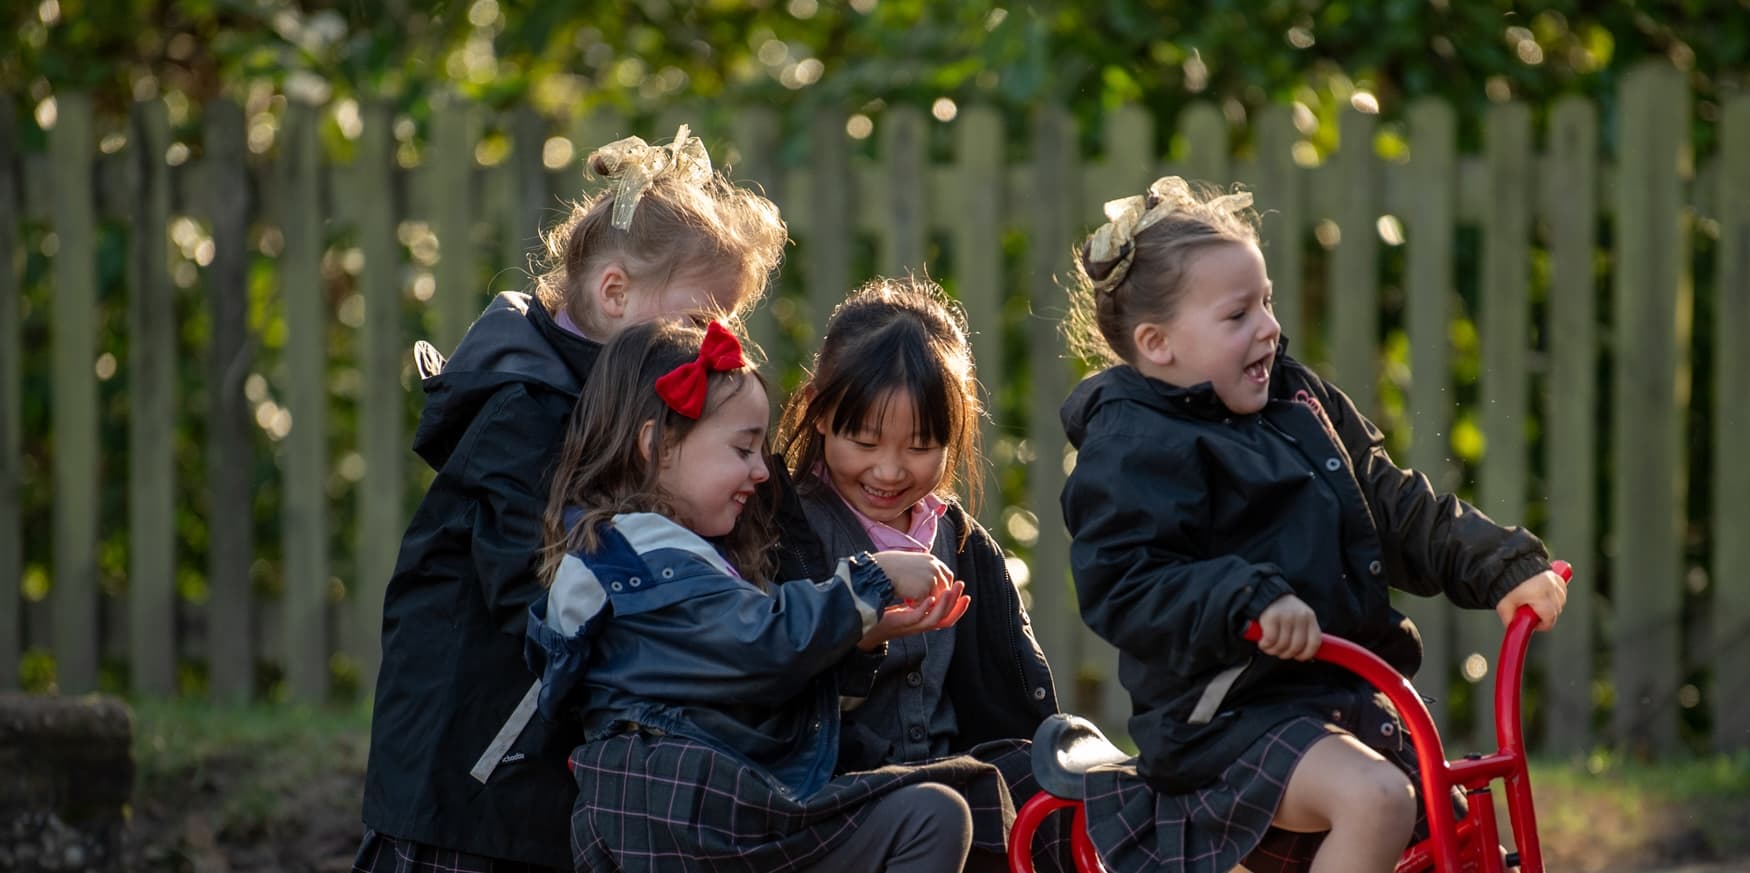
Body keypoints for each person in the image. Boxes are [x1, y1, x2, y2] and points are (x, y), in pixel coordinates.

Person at [1057, 177, 1570, 873]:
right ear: (1157, 343)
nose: (1268, 326)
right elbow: (1125, 580)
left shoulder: (1298, 402)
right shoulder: (1135, 441)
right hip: (1226, 722)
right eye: (1237, 314)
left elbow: (1388, 504)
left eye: (1265, 301)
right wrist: (1247, 597)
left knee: (1461, 847)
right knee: (1380, 801)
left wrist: (1501, 566)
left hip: (1340, 701)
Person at [355, 127, 788, 872]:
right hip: (468, 785)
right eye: (696, 317)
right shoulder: (522, 412)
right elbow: (541, 578)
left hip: (541, 790)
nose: (713, 340)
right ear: (614, 292)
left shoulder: (631, 404)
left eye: (727, 322)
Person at [527, 317, 1011, 873]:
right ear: (657, 446)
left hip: (698, 806)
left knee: (938, 809)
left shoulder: (678, 555)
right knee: (936, 813)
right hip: (680, 807)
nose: (762, 471)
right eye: (743, 450)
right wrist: (870, 580)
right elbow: (760, 642)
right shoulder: (643, 560)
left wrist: (859, 641)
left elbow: (761, 684)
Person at [771, 277, 1062, 873]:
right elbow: (768, 688)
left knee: (1067, 792)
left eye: (922, 445)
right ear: (818, 413)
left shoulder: (960, 541)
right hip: (835, 796)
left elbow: (1009, 693)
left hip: (953, 775)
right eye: (865, 440)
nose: (889, 470)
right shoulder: (787, 535)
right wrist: (860, 638)